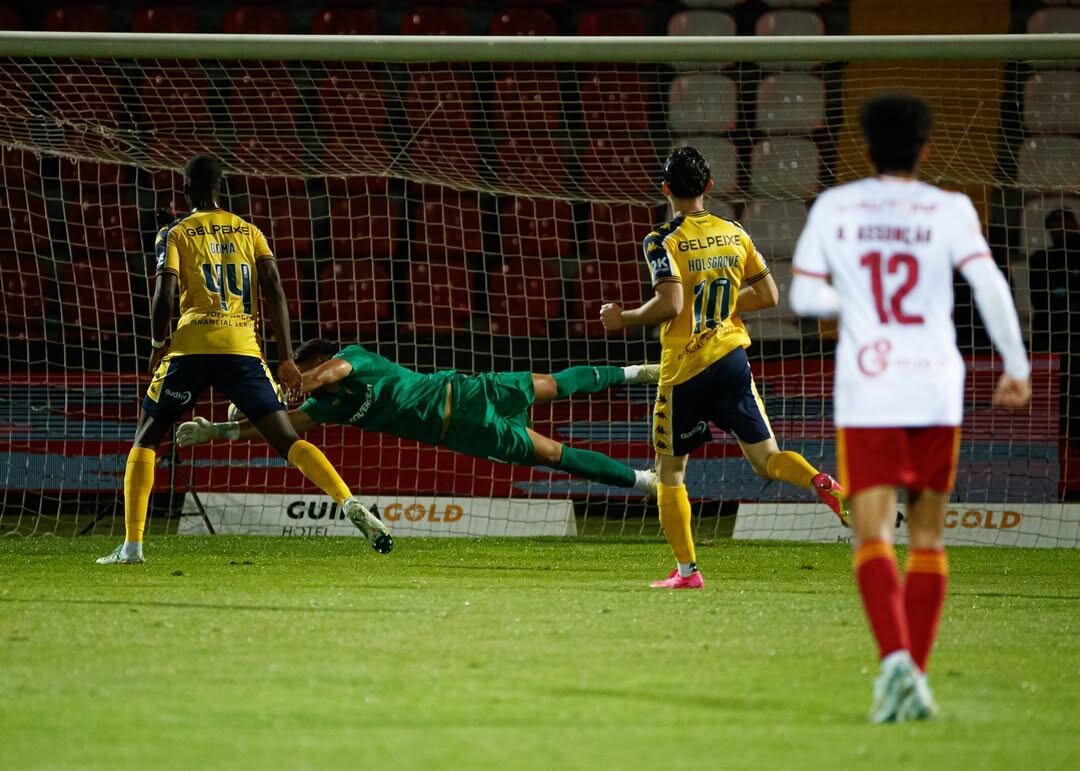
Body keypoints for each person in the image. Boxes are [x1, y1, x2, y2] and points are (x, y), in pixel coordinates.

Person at [790, 92, 1031, 722]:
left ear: (866, 149)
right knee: (927, 537)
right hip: (934, 384)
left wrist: (856, 302)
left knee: (872, 533)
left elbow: (805, 297)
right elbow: (989, 284)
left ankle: (896, 664)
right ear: (924, 148)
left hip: (870, 387)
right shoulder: (950, 208)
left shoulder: (834, 207)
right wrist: (1017, 366)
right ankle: (913, 678)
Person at [97, 156, 391, 564]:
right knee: (288, 439)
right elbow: (274, 290)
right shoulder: (250, 231)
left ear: (186, 189)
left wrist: (156, 341)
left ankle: (132, 546)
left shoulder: (176, 232)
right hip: (241, 346)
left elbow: (164, 294)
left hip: (192, 345)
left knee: (148, 436)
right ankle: (348, 501)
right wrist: (286, 358)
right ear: (223, 188)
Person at [599, 146, 850, 591]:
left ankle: (687, 572)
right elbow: (770, 295)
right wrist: (721, 305)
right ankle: (820, 480)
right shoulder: (734, 232)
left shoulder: (662, 239)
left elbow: (671, 302)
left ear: (665, 189)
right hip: (732, 359)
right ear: (710, 188)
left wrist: (626, 318)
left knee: (671, 474)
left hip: (685, 371)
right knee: (768, 459)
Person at [175, 339, 661, 495]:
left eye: (307, 373)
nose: (308, 383)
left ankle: (639, 371)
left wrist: (289, 383)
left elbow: (331, 372)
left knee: (553, 384)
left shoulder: (350, 360)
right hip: (467, 431)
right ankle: (646, 483)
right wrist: (219, 430)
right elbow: (283, 426)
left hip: (467, 388)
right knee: (553, 455)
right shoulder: (323, 408)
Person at [1029, 208, 1080, 446]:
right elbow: (1040, 299)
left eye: (1065, 224)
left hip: (1067, 332)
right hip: (1056, 335)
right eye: (1055, 225)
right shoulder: (1042, 259)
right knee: (1059, 389)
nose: (1061, 230)